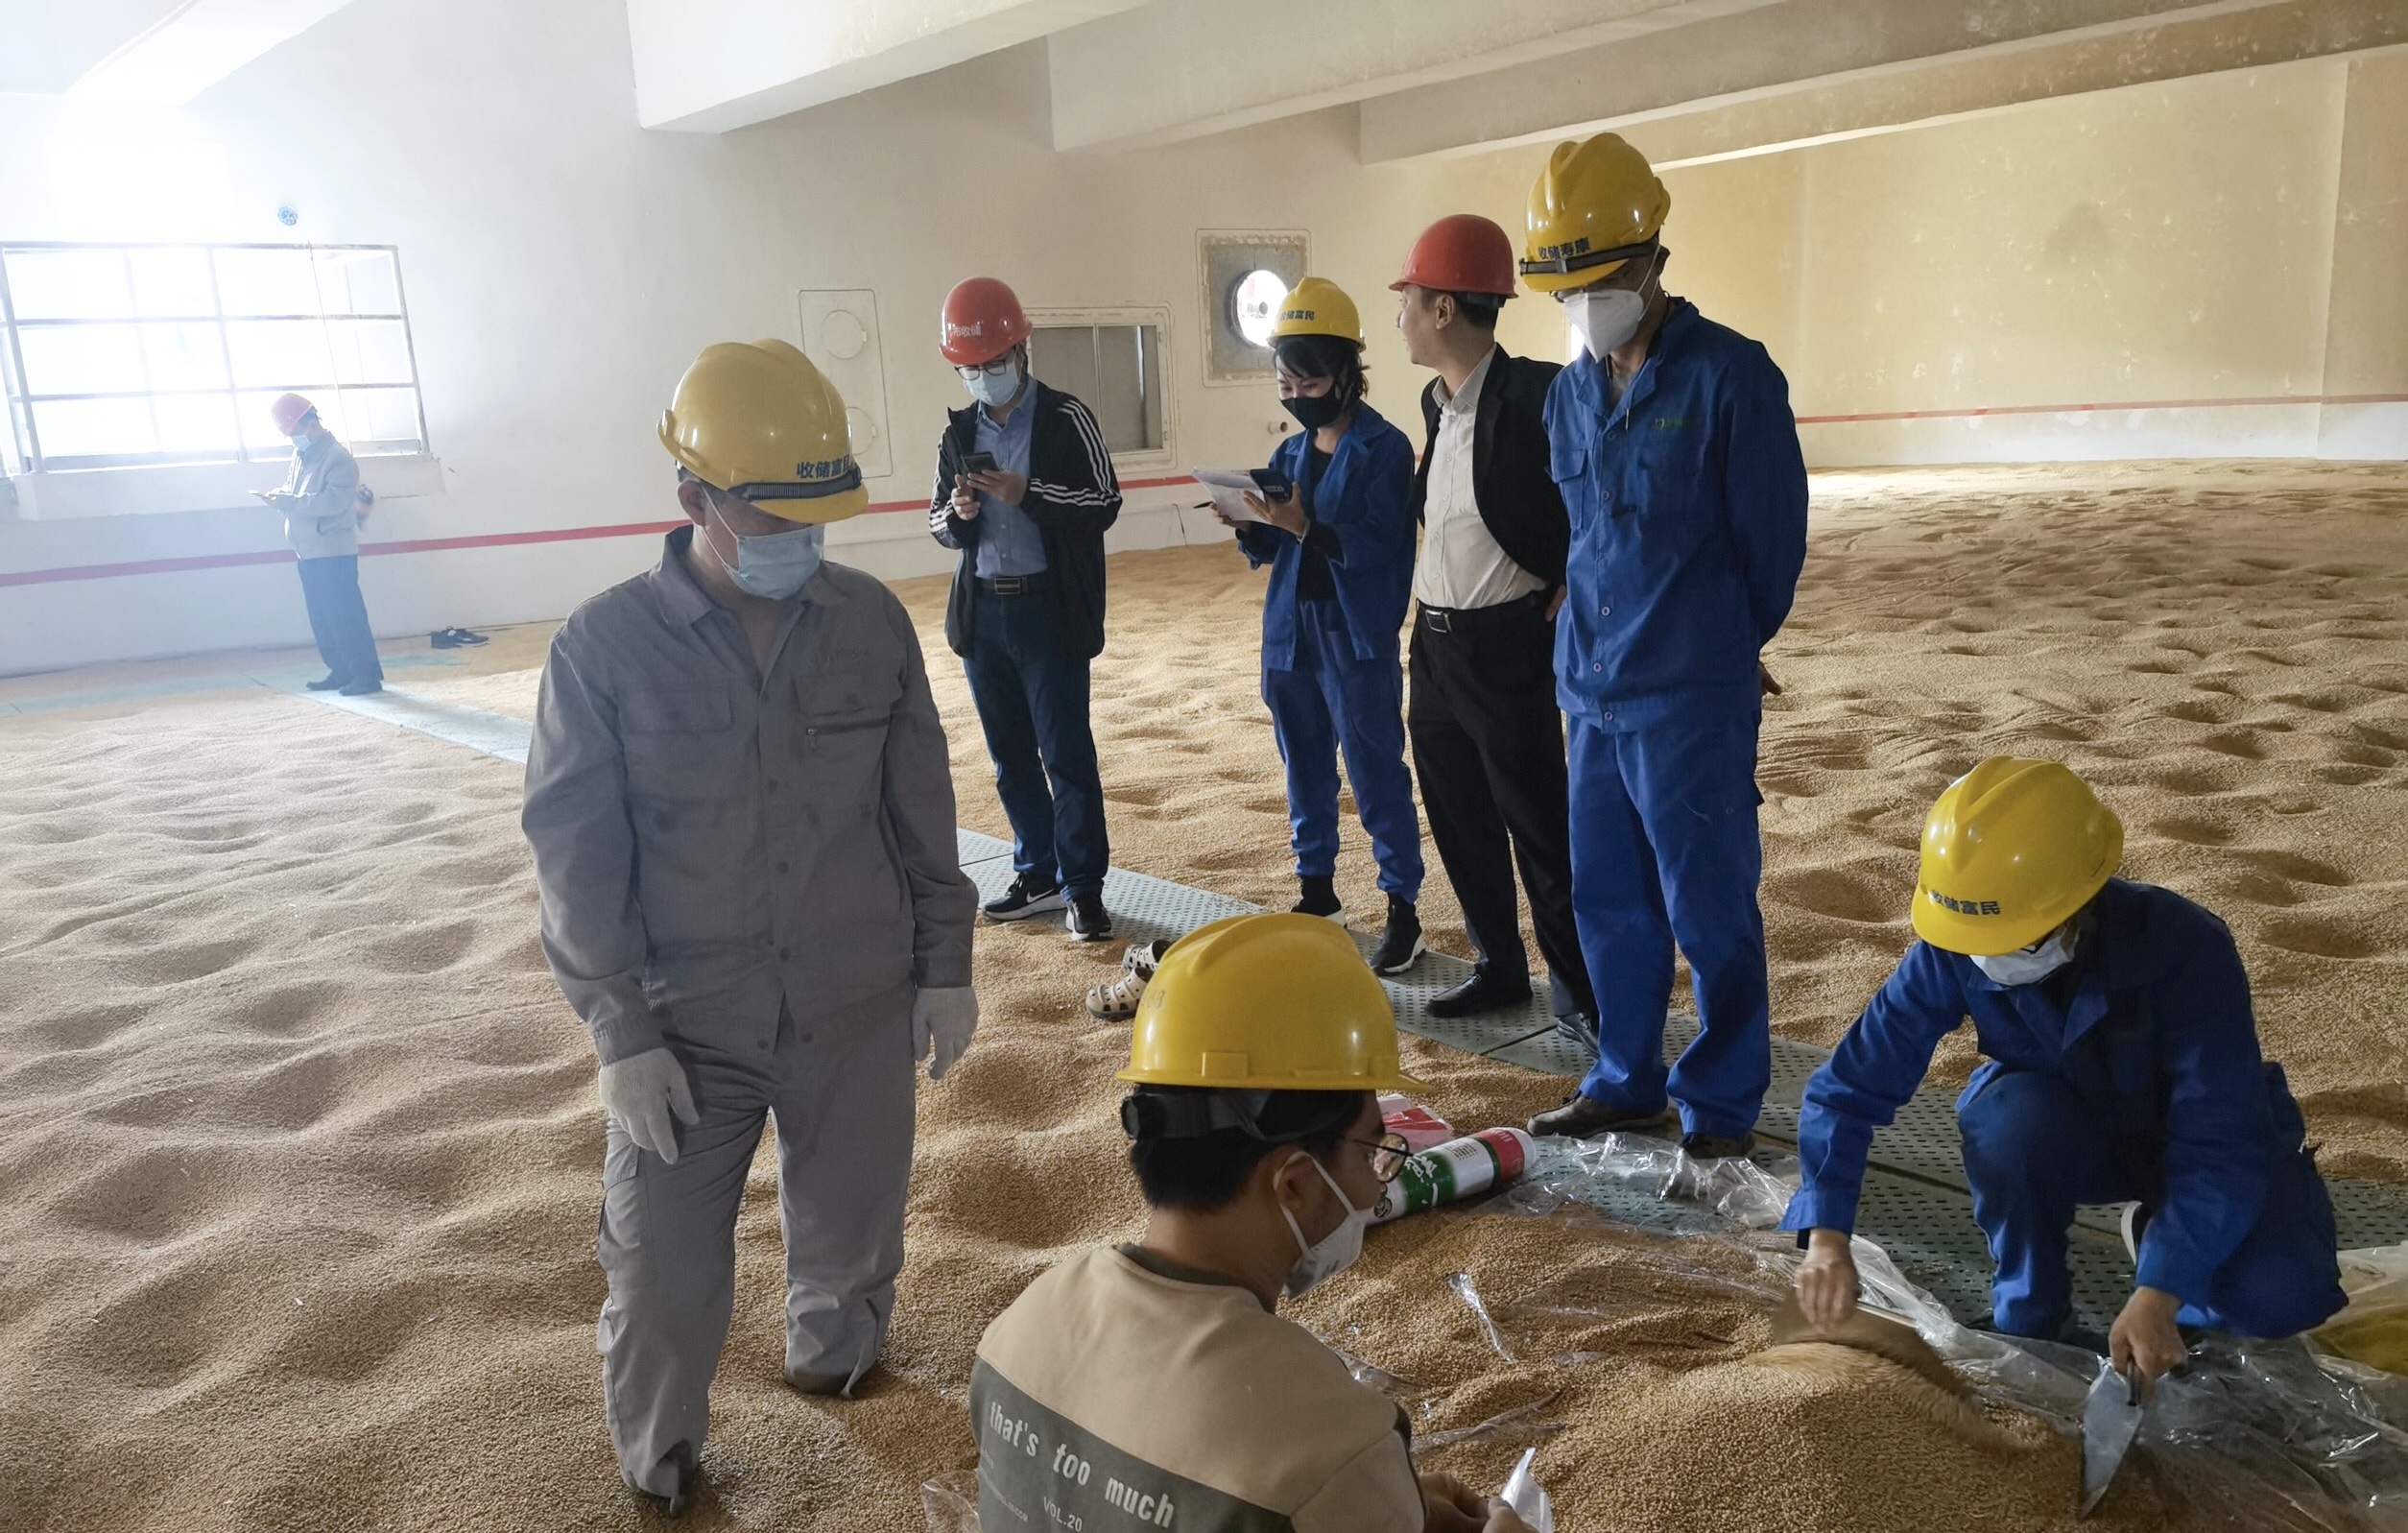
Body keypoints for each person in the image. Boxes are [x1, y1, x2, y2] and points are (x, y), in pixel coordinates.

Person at [523, 339, 978, 1516]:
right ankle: (661, 1467)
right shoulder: (603, 648)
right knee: (661, 1277)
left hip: (857, 999)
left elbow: (920, 807)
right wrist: (619, 1033)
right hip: (688, 1027)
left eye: (819, 519)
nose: (801, 542)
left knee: (853, 1233)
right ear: (696, 500)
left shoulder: (871, 622)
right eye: (775, 518)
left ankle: (837, 1371)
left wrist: (945, 965)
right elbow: (575, 852)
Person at [1786, 758, 2347, 1383]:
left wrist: (2160, 1290)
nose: (1989, 956)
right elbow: (1845, 1090)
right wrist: (1826, 1236)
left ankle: (2163, 1247)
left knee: (2278, 1295)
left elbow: (2222, 1138)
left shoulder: (2185, 947)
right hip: (2067, 1134)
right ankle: (2030, 1315)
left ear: (2079, 902)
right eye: (1976, 940)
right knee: (2007, 1122)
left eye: (2015, 938)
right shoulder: (1955, 943)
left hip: (2193, 1142)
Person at [971, 912, 1532, 1533]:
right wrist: (1362, 1491)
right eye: (1373, 1151)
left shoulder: (1018, 1327)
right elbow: (1292, 1478)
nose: (1378, 1180)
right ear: (1294, 1183)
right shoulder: (1326, 1446)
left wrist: (1377, 1502)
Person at [1519, 132, 1808, 1158]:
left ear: (1651, 260)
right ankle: (1625, 1076)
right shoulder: (1568, 394)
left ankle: (1720, 1102)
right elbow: (1581, 535)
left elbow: (1771, 547)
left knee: (1709, 904)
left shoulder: (1731, 377)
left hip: (1688, 694)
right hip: (1590, 691)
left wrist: (1715, 644)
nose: (1582, 305)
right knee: (1608, 897)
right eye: (1565, 289)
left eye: (1597, 282)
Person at [1393, 215, 1596, 1048]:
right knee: (1458, 815)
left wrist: (1576, 572)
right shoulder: (1433, 404)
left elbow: (1602, 488)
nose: (1401, 317)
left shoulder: (1541, 394)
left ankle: (1579, 994)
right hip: (1434, 646)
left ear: (1443, 308)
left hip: (1505, 644)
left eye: (1408, 300)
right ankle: (1498, 965)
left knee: (1537, 823)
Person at [1222, 277, 1426, 975]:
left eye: (1308, 383)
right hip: (1290, 633)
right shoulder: (1290, 453)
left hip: (1352, 635)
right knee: (1302, 765)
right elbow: (1275, 547)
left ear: (1344, 373)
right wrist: (1250, 524)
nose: (1296, 396)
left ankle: (1403, 908)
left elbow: (1381, 545)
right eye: (1285, 383)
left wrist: (1305, 524)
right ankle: (1318, 893)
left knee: (1374, 770)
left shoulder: (1386, 449)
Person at [928, 276, 1122, 944]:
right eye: (970, 367)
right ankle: (1037, 873)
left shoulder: (1067, 417)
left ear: (1020, 350)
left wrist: (1026, 492)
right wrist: (960, 515)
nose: (983, 376)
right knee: (1010, 756)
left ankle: (1083, 888)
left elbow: (1103, 502)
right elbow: (937, 521)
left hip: (1049, 609)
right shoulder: (957, 433)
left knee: (1066, 754)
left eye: (993, 362)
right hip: (984, 615)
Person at [256, 392, 382, 696]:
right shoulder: (301, 456)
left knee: (345, 617)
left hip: (332, 553)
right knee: (323, 619)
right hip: (308, 551)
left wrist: (289, 502)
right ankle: (341, 671)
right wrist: (280, 496)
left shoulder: (338, 458)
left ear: (310, 423)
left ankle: (365, 676)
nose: (293, 439)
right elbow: (296, 491)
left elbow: (333, 503)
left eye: (294, 432)